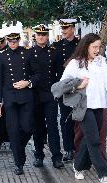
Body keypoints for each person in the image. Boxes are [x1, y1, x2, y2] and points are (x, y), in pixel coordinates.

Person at [61, 33, 107, 183]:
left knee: (89, 139)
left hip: (100, 105)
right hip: (83, 107)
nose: (97, 50)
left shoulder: (101, 61)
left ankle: (78, 165)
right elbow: (63, 83)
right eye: (94, 47)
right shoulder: (75, 63)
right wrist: (78, 85)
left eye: (99, 46)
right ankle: (103, 175)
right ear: (86, 46)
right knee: (94, 139)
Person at [0, 25, 40, 175]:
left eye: (15, 40)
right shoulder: (1, 56)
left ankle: (18, 148)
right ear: (7, 40)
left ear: (19, 40)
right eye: (10, 41)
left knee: (27, 128)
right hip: (10, 99)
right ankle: (18, 163)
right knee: (13, 131)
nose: (13, 43)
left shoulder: (27, 54)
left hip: (26, 97)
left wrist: (28, 82)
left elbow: (38, 74)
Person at [30, 24, 64, 169]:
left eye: (44, 35)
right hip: (35, 94)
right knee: (37, 126)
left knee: (52, 126)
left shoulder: (54, 52)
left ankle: (56, 157)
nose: (41, 37)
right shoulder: (30, 53)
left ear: (47, 36)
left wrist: (56, 91)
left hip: (50, 94)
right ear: (35, 36)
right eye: (39, 34)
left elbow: (59, 74)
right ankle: (39, 156)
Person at [52, 18, 79, 162]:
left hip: (79, 88)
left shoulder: (80, 45)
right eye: (62, 28)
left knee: (80, 119)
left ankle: (78, 147)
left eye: (66, 28)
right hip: (64, 88)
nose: (63, 31)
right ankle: (69, 149)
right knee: (65, 119)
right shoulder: (57, 46)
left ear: (73, 29)